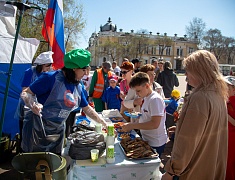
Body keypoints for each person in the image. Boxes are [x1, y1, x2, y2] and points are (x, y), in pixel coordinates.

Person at [20, 49, 107, 155]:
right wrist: (33, 104)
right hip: (37, 128)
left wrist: (104, 124)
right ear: (74, 68)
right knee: (35, 163)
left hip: (57, 130)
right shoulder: (50, 78)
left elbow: (87, 108)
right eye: (84, 70)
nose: (85, 74)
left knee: (54, 163)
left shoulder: (78, 86)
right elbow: (26, 93)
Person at [162, 50, 228, 180]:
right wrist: (181, 127)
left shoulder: (200, 97)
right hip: (210, 167)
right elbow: (209, 130)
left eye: (188, 70)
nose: (185, 75)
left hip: (194, 170)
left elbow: (188, 142)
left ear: (200, 71)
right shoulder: (218, 94)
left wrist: (171, 172)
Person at [121, 72, 167, 157]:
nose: (137, 94)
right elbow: (148, 115)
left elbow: (154, 124)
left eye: (138, 91)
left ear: (147, 86)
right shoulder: (146, 97)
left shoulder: (155, 99)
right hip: (147, 138)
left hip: (155, 141)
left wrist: (132, 125)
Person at [15, 51, 53, 152]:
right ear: (41, 65)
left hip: (39, 107)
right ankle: (23, 153)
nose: (49, 68)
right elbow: (24, 91)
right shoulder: (30, 72)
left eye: (50, 66)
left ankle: (34, 152)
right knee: (25, 132)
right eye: (48, 65)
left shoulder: (47, 75)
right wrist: (32, 104)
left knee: (36, 133)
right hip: (26, 106)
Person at [224, 76, 235, 180]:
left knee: (229, 163)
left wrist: (225, 115)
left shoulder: (232, 101)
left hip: (231, 138)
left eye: (228, 86)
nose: (226, 88)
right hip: (225, 136)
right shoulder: (225, 100)